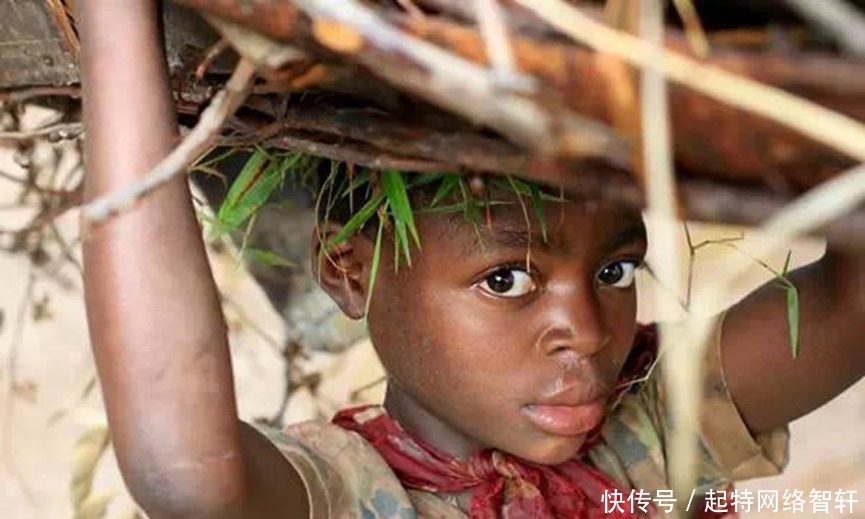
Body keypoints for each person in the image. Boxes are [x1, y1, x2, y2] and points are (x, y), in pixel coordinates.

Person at [78, 2, 865, 518]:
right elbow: (188, 474)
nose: (586, 332)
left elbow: (850, 305)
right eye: (506, 279)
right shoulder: (354, 493)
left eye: (614, 271)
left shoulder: (653, 431)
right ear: (349, 269)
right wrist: (114, 22)